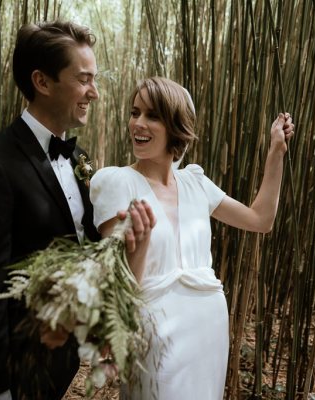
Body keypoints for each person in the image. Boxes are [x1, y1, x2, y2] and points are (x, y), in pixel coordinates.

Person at [0, 21, 154, 400]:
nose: (94, 92)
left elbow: (85, 253)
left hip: (58, 366)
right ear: (42, 82)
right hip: (14, 371)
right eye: (84, 79)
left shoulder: (79, 159)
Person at [89, 77, 295, 399]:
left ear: (177, 128)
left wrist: (276, 154)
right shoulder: (116, 182)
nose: (138, 124)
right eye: (134, 112)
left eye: (153, 116)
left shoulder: (196, 182)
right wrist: (138, 245)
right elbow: (116, 291)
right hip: (154, 335)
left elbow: (260, 219)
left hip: (208, 330)